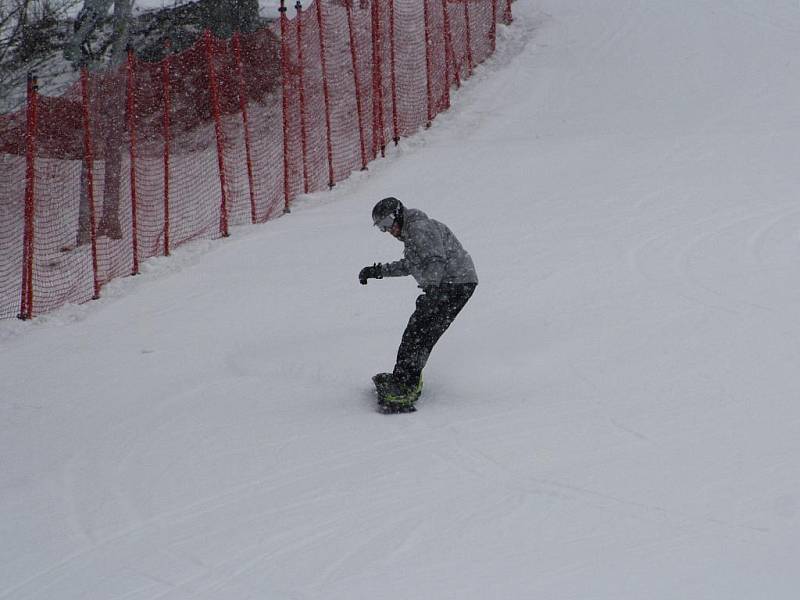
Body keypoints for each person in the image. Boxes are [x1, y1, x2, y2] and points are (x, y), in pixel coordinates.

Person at [359, 197, 478, 409]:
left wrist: (432, 290)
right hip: (445, 286)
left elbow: (435, 260)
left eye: (387, 223)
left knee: (422, 333)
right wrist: (378, 271)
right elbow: (410, 265)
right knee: (415, 331)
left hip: (456, 283)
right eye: (381, 227)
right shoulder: (410, 233)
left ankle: (408, 384)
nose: (388, 230)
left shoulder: (420, 228)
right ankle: (402, 377)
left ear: (398, 214)